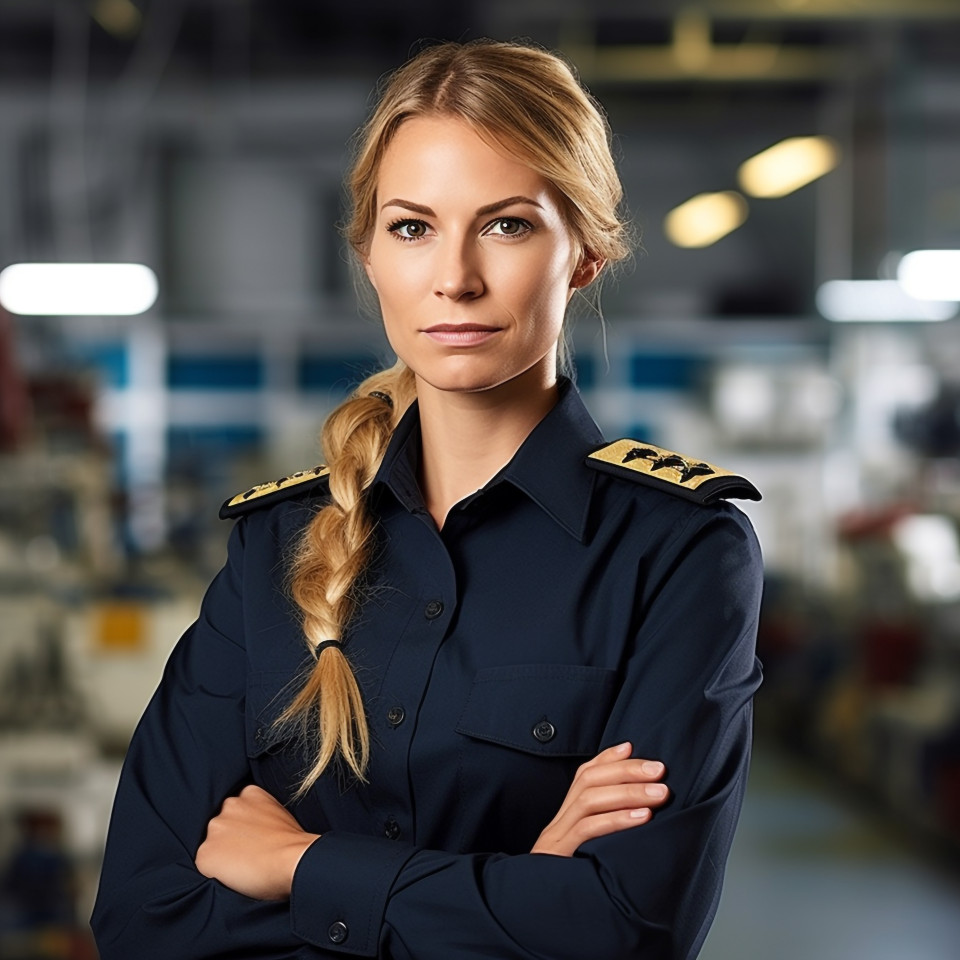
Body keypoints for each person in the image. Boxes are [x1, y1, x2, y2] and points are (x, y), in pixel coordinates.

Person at [91, 39, 763, 960]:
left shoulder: (678, 550)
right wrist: (519, 880)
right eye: (412, 227)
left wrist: (301, 866)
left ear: (586, 255)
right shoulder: (273, 547)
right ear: (368, 254)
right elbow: (144, 917)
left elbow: (626, 930)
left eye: (507, 225)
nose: (455, 277)